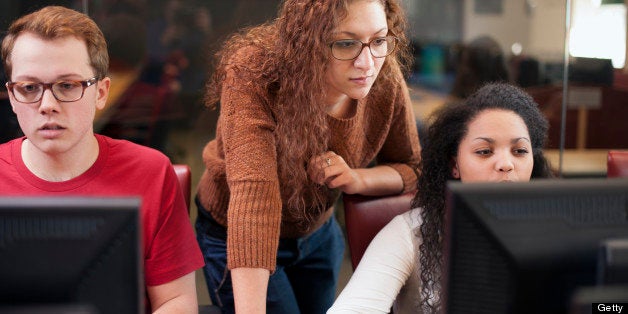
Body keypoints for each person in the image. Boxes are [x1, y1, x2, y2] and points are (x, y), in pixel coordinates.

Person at [195, 0, 421, 312]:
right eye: (345, 43)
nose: (368, 63)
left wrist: (358, 178)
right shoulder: (253, 73)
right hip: (239, 234)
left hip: (317, 233)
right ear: (308, 42)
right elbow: (254, 199)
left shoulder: (384, 77)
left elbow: (412, 167)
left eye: (379, 40)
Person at [0, 6, 204, 313]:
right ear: (12, 97)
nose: (47, 105)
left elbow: (178, 301)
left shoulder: (151, 172)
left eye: (67, 85)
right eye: (29, 88)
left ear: (101, 92)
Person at [328, 83, 553, 313]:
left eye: (520, 151)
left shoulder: (552, 232)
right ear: (454, 164)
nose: (506, 164)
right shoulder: (410, 234)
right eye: (484, 151)